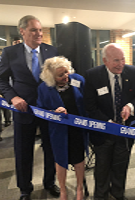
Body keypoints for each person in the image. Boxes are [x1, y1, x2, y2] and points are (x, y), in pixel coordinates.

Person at [0, 15, 60, 200]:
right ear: (22, 31)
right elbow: (0, 78)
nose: (39, 34)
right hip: (23, 109)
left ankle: (49, 182)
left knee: (50, 148)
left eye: (40, 30)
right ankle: (25, 188)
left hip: (48, 110)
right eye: (33, 30)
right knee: (23, 150)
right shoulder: (10, 52)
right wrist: (12, 97)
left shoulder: (51, 51)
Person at [84, 43, 135, 200]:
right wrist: (107, 122)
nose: (121, 64)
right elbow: (89, 106)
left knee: (121, 166)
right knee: (102, 167)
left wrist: (130, 106)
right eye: (116, 60)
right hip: (103, 131)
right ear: (105, 60)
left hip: (125, 131)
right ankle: (101, 196)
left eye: (123, 59)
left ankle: (117, 194)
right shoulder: (92, 75)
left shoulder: (132, 72)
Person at [37, 56, 88, 200]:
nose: (66, 76)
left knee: (79, 159)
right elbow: (40, 111)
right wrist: (53, 112)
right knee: (60, 160)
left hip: (77, 129)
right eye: (61, 75)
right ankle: (63, 191)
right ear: (52, 77)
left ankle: (79, 189)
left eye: (66, 72)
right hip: (58, 131)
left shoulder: (78, 80)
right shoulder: (44, 88)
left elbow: (87, 101)